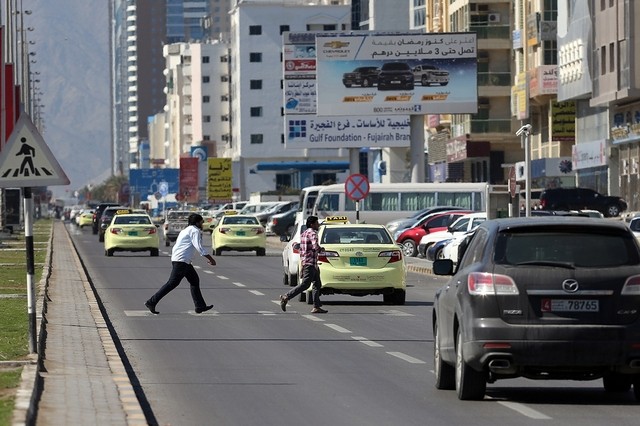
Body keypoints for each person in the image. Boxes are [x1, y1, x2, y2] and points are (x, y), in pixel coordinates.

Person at [145, 213, 216, 314]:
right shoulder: (194, 231)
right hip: (181, 260)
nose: (203, 223)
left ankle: (200, 306)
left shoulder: (186, 230)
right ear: (197, 222)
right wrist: (211, 259)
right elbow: (199, 247)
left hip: (182, 260)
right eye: (201, 221)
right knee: (172, 283)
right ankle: (151, 302)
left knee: (194, 280)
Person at [280, 215, 328, 314]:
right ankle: (286, 297)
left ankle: (316, 306)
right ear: (312, 224)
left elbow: (301, 250)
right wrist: (321, 249)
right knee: (305, 285)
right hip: (310, 263)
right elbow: (315, 246)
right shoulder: (313, 233)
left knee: (317, 284)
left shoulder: (304, 234)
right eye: (316, 223)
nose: (318, 224)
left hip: (309, 263)